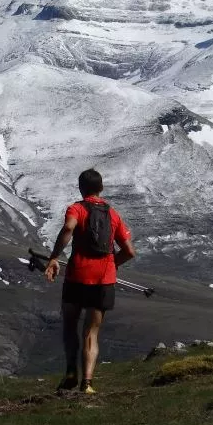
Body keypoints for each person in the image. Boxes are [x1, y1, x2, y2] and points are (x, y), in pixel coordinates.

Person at [43, 168, 135, 394]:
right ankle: (88, 383)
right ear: (101, 188)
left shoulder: (77, 208)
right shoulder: (113, 214)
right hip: (103, 280)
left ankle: (71, 371)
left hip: (77, 276)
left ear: (81, 188)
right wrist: (111, 266)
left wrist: (54, 257)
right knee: (91, 332)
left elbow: (68, 227)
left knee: (69, 325)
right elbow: (129, 251)